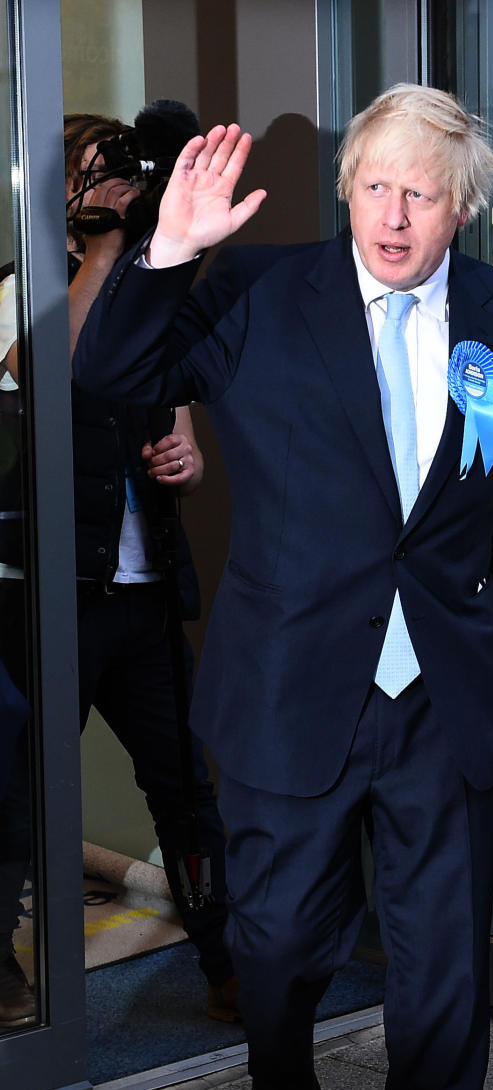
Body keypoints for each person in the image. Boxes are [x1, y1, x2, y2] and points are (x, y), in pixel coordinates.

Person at [72, 85, 493, 1090]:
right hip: (293, 683)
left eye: (425, 193)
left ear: (465, 207)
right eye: (378, 186)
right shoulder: (253, 292)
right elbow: (109, 374)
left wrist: (439, 612)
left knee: (442, 966)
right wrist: (168, 248)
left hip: (438, 693)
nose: (397, 216)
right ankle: (279, 1065)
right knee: (280, 942)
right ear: (347, 188)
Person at [0, 114, 238, 1029]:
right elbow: (42, 375)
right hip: (45, 601)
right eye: (98, 177)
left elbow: (180, 430)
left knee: (185, 789)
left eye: (126, 176)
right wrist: (102, 254)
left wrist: (187, 458)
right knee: (15, 793)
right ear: (59, 190)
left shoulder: (153, 295)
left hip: (143, 594)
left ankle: (225, 960)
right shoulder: (26, 284)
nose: (120, 192)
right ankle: (2, 962)